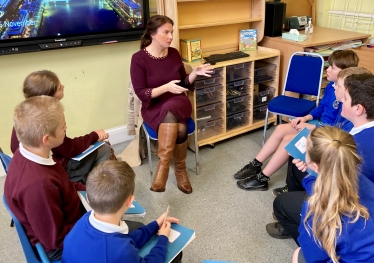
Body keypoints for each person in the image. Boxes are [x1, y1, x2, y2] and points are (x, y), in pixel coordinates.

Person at [268, 69, 374, 243]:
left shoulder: (357, 147)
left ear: (358, 108)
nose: (342, 102)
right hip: (339, 182)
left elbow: (338, 190)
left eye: (345, 99)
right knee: (296, 164)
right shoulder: (358, 129)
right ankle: (303, 209)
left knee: (281, 204)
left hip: (346, 204)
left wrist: (313, 173)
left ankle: (313, 239)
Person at [234, 50, 359, 191]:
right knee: (280, 129)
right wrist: (306, 118)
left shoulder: (346, 97)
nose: (327, 70)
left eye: (332, 67)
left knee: (289, 140)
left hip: (326, 133)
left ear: (344, 73)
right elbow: (321, 108)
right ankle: (255, 165)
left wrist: (312, 127)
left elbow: (337, 129)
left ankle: (262, 178)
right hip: (318, 124)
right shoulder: (331, 87)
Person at [130, 15, 212, 194]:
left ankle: (163, 167)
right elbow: (141, 92)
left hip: (178, 102)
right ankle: (180, 170)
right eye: (166, 32)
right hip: (153, 106)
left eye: (171, 32)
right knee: (181, 129)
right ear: (152, 33)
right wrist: (165, 87)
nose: (170, 36)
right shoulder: (138, 59)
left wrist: (195, 73)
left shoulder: (174, 53)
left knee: (171, 108)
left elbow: (183, 84)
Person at [4, 96, 86, 261]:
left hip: (71, 216)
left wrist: (90, 191)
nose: (66, 128)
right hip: (62, 246)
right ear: (47, 139)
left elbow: (64, 185)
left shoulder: (31, 151)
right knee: (128, 239)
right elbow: (56, 240)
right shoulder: (37, 186)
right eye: (63, 127)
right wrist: (96, 223)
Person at [62, 160, 182, 263]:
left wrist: (154, 225)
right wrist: (163, 239)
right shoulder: (122, 252)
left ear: (88, 197)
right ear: (130, 201)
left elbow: (124, 239)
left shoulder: (84, 219)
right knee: (177, 254)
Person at [10, 70, 111, 183]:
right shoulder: (49, 120)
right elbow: (70, 149)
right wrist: (94, 135)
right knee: (104, 149)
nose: (63, 86)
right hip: (57, 169)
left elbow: (13, 147)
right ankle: (95, 186)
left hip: (36, 164)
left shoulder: (24, 115)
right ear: (49, 97)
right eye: (59, 88)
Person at [293, 126, 374, 263]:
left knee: (298, 254)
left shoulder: (316, 210)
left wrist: (311, 176)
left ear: (317, 166)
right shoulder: (363, 181)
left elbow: (313, 258)